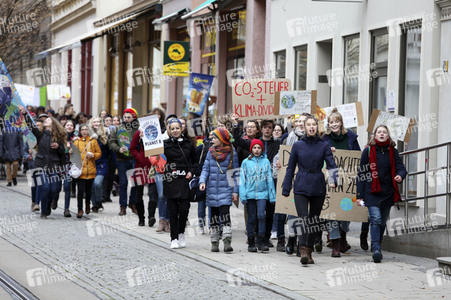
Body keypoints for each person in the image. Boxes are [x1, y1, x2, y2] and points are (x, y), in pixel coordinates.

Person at [282, 115, 337, 265]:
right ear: (304, 128)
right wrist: (286, 187)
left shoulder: (324, 145)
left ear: (317, 127)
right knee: (303, 219)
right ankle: (303, 249)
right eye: (309, 125)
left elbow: (331, 164)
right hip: (301, 185)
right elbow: (291, 167)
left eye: (314, 124)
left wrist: (333, 180)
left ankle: (309, 250)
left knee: (314, 221)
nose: (312, 127)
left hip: (318, 184)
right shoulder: (298, 146)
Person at [356, 125, 406, 263]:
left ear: (388, 136)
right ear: (375, 135)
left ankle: (377, 243)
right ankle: (377, 248)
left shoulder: (393, 152)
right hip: (371, 191)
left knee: (382, 222)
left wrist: (400, 176)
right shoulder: (367, 151)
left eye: (384, 132)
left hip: (387, 192)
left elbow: (401, 168)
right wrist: (359, 195)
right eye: (379, 132)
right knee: (376, 219)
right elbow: (361, 173)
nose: (382, 134)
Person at [321, 108, 361, 257]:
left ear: (341, 123)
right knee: (333, 212)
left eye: (337, 122)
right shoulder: (324, 139)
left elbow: (357, 156)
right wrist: (326, 150)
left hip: (348, 179)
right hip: (331, 177)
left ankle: (343, 234)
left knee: (346, 210)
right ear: (328, 124)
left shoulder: (350, 137)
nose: (334, 125)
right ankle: (336, 244)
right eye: (331, 122)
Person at [20, 105, 66, 219]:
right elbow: (31, 126)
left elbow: (63, 153)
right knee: (45, 187)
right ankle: (44, 211)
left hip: (54, 166)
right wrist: (25, 113)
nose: (45, 121)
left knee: (54, 189)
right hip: (40, 165)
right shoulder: (40, 135)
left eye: (48, 120)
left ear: (53, 124)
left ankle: (50, 204)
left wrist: (58, 147)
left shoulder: (58, 137)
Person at [199, 128, 239, 252]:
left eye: (215, 138)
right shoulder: (210, 152)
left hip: (226, 189)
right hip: (211, 188)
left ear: (222, 139)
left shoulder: (232, 152)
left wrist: (235, 191)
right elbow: (205, 169)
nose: (212, 140)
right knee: (214, 216)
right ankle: (214, 242)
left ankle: (227, 241)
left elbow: (236, 173)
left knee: (225, 214)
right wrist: (202, 181)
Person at [163, 118, 197, 249]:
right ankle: (174, 238)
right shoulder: (164, 144)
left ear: (182, 129)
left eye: (177, 128)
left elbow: (195, 162)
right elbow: (152, 153)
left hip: (184, 180)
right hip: (171, 179)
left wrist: (192, 172)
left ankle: (181, 233)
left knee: (183, 210)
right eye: (172, 129)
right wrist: (144, 138)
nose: (175, 131)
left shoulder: (188, 144)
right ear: (169, 131)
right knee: (173, 211)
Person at [239, 139, 276, 253]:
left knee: (261, 215)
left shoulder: (265, 161)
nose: (256, 150)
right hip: (249, 194)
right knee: (251, 218)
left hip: (262, 193)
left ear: (262, 149)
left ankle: (261, 240)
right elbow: (242, 179)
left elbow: (269, 179)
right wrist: (243, 194)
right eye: (254, 148)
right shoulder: (246, 162)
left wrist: (272, 195)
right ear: (251, 149)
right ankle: (251, 241)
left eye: (259, 148)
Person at [108, 108, 140, 215]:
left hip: (135, 159)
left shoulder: (139, 128)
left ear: (133, 117)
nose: (126, 119)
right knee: (123, 183)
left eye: (129, 117)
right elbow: (111, 142)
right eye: (125, 117)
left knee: (136, 183)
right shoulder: (118, 129)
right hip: (121, 159)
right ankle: (123, 206)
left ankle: (133, 203)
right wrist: (118, 149)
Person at [130, 129, 158, 227]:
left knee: (153, 195)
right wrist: (139, 157)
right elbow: (132, 148)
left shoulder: (155, 133)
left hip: (152, 168)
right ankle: (141, 219)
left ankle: (151, 217)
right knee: (138, 197)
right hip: (139, 168)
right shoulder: (138, 133)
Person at [73, 124, 101, 218]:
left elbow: (99, 153)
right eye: (82, 130)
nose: (84, 131)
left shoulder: (93, 141)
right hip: (81, 171)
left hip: (91, 170)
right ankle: (80, 209)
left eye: (86, 129)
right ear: (80, 131)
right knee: (80, 191)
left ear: (88, 131)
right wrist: (71, 153)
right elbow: (73, 157)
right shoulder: (76, 142)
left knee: (89, 191)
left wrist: (93, 155)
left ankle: (88, 204)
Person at [89, 117, 110, 213]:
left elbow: (110, 150)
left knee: (97, 183)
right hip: (91, 163)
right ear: (92, 124)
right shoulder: (88, 134)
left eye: (98, 122)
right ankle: (95, 204)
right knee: (92, 185)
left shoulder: (105, 134)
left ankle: (98, 200)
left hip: (102, 163)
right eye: (95, 122)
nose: (96, 123)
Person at [24, 119, 44, 212]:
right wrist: (28, 156)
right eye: (36, 125)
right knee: (34, 184)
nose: (37, 127)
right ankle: (33, 201)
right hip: (33, 164)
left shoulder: (45, 137)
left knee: (40, 183)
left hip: (43, 164)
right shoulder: (30, 138)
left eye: (39, 125)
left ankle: (37, 203)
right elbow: (24, 151)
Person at [62, 120, 76, 217]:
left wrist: (74, 150)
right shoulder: (60, 137)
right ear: (64, 126)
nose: (69, 127)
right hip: (59, 164)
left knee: (67, 186)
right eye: (68, 125)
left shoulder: (76, 138)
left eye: (71, 125)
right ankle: (54, 200)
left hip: (70, 165)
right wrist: (65, 149)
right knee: (56, 188)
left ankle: (66, 209)